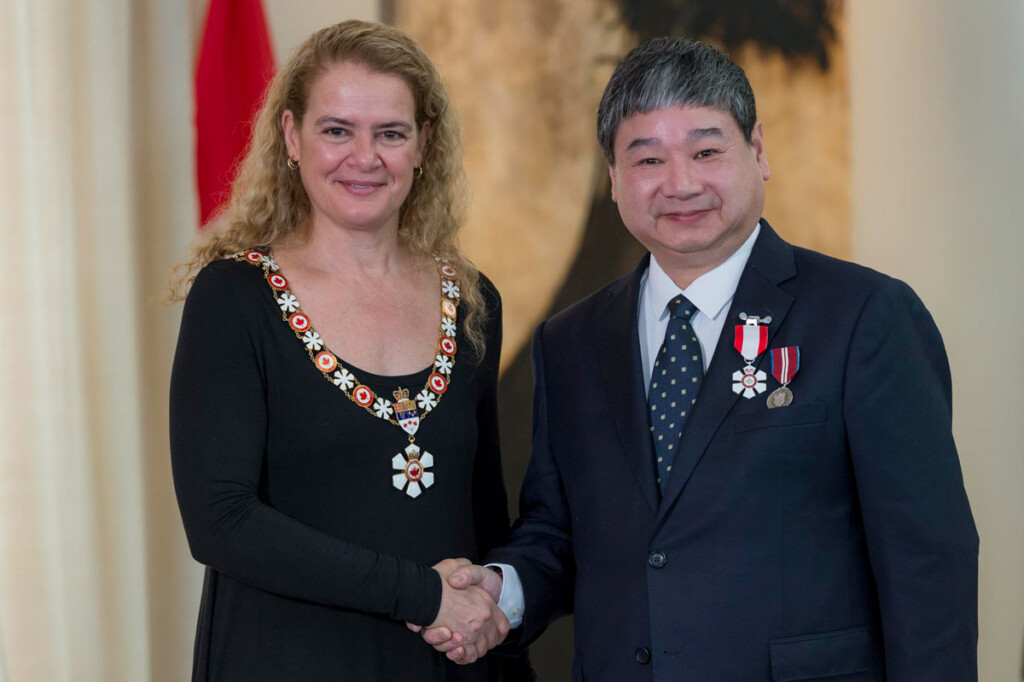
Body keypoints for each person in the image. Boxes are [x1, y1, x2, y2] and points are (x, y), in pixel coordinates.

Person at [422, 37, 979, 680]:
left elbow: (927, 561)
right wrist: (501, 590)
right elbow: (562, 534)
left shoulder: (865, 317)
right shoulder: (571, 342)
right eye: (647, 158)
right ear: (613, 179)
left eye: (707, 151)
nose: (680, 184)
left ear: (759, 150)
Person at [169, 20, 530, 681]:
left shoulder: (472, 300)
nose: (364, 157)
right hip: (285, 660)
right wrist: (423, 593)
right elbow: (220, 522)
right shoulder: (234, 299)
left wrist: (491, 631)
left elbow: (482, 514)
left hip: (441, 665)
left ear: (424, 144)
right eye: (337, 130)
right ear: (290, 138)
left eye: (390, 133)